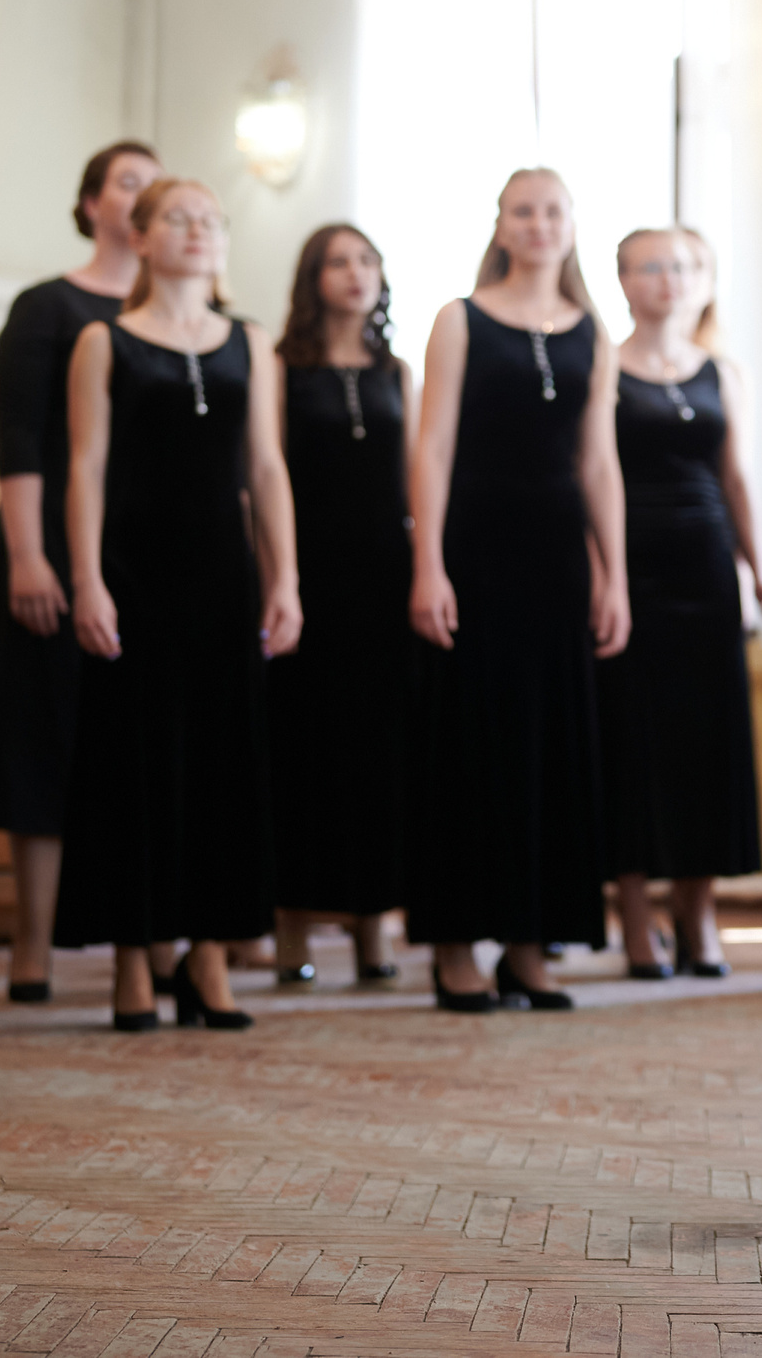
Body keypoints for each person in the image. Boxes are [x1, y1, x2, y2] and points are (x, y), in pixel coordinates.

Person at [53, 177, 299, 1032]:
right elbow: (85, 467)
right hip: (134, 573)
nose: (198, 231)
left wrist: (286, 578)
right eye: (179, 219)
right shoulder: (104, 342)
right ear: (143, 236)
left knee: (222, 766)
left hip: (222, 578)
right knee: (135, 764)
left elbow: (266, 468)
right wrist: (86, 578)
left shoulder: (250, 342)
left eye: (211, 219)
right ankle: (133, 959)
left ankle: (208, 960)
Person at [406, 168, 628, 1012]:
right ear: (501, 226)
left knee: (552, 746)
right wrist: (428, 563)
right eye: (523, 211)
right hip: (474, 550)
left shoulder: (591, 332)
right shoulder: (459, 320)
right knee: (472, 743)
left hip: (556, 561)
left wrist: (613, 574)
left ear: (571, 227)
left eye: (553, 211)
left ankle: (533, 944)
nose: (539, 224)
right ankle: (458, 943)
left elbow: (598, 462)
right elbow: (432, 450)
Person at [0, 141, 158, 1003]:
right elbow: (20, 441)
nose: (143, 194)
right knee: (42, 740)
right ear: (91, 204)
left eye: (155, 182)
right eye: (128, 180)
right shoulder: (46, 307)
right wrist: (26, 556)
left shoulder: (192, 312)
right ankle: (33, 944)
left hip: (154, 552)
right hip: (53, 543)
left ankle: (155, 932)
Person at [601, 228, 762, 980]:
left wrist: (758, 569)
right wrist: (601, 574)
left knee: (707, 745)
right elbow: (591, 474)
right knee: (633, 743)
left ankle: (698, 914)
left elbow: (736, 477)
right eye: (650, 266)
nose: (667, 279)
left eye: (680, 266)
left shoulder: (721, 372)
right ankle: (636, 919)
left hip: (706, 566)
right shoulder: (601, 369)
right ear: (623, 280)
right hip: (632, 562)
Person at [267, 222, 411, 986]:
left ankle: (373, 927)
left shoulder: (397, 371)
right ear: (312, 278)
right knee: (304, 752)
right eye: (338, 262)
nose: (356, 275)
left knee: (376, 756)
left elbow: (413, 479)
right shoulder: (281, 367)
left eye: (367, 261)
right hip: (309, 576)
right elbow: (266, 476)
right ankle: (292, 927)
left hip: (386, 578)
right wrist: (277, 577)